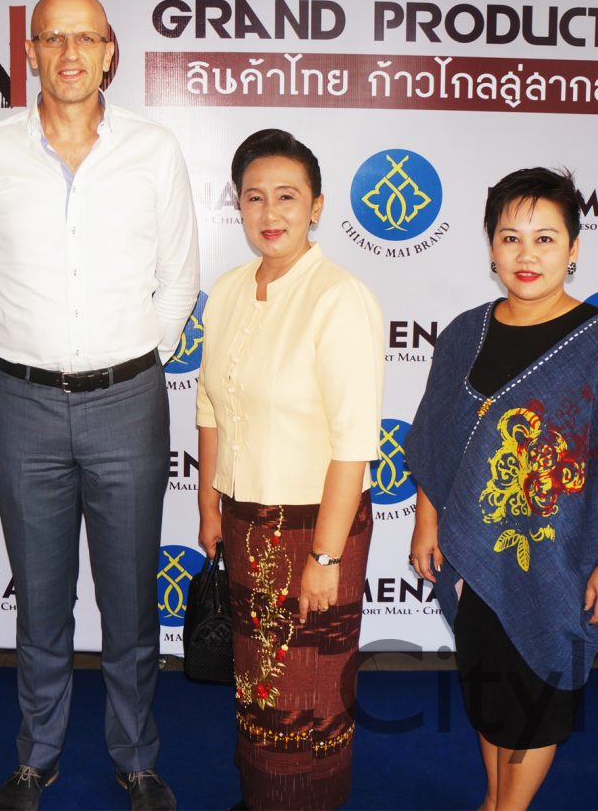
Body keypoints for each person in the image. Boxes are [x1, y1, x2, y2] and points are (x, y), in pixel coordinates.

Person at [0, 0, 198, 811]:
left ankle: (136, 758)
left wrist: (131, 358)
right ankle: (39, 755)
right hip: (20, 402)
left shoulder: (153, 149)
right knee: (40, 599)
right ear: (29, 52)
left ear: (109, 52)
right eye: (52, 38)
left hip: (128, 400)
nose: (69, 54)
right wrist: (23, 361)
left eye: (85, 38)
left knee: (129, 600)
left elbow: (179, 278)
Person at [405, 167, 598, 810]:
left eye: (545, 239)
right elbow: (436, 438)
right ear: (491, 247)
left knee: (536, 698)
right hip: (476, 554)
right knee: (489, 691)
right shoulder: (465, 333)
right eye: (511, 238)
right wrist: (426, 521)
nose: (527, 255)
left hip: (560, 554)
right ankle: (495, 799)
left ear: (573, 248)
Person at [195, 129, 385, 810]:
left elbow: (354, 442)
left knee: (309, 688)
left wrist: (326, 557)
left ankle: (305, 799)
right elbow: (210, 404)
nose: (269, 212)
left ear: (316, 206)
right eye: (254, 197)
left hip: (314, 524)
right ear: (238, 206)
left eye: (286, 196)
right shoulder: (227, 291)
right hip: (246, 521)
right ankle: (264, 795)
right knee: (259, 682)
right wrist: (209, 506)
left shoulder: (339, 297)